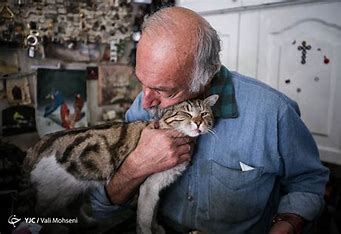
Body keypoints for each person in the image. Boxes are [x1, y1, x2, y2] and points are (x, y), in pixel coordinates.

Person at [90, 6, 329, 234]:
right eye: (141, 82)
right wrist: (136, 165)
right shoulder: (143, 108)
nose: (144, 102)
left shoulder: (274, 113)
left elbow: (308, 181)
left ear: (203, 79)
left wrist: (287, 223)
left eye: (165, 91)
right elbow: (99, 207)